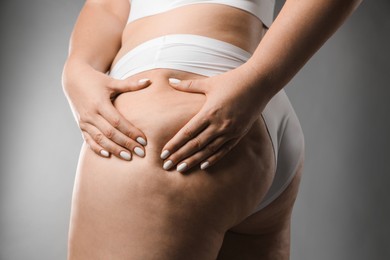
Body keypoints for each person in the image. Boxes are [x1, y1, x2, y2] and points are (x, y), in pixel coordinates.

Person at [62, 0, 361, 259]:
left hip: (167, 119)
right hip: (259, 114)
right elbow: (108, 6)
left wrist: (258, 80)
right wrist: (76, 68)